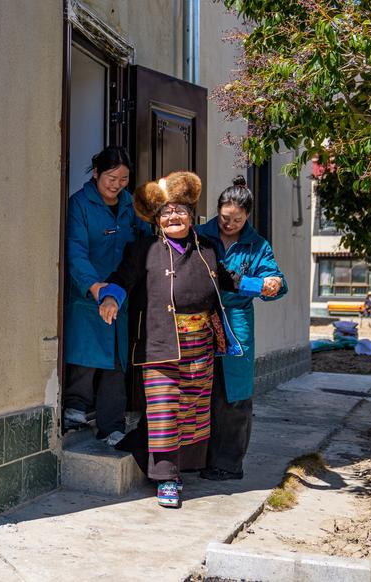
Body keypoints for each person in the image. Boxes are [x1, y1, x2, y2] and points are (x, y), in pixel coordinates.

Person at [98, 172, 250, 508]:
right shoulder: (144, 250)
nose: (173, 217)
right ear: (157, 220)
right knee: (165, 410)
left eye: (179, 210)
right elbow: (122, 278)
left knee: (192, 411)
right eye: (166, 213)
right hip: (160, 344)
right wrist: (110, 298)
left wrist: (263, 285)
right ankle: (166, 478)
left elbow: (229, 281)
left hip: (201, 344)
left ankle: (176, 463)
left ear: (191, 214)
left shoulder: (207, 248)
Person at [195, 176, 287, 481]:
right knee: (199, 389)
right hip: (201, 319)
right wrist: (253, 284)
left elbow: (275, 280)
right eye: (225, 217)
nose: (229, 224)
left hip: (236, 322)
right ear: (217, 210)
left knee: (233, 393)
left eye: (237, 219)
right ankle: (194, 458)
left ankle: (228, 464)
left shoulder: (257, 244)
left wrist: (271, 284)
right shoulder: (200, 235)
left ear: (247, 215)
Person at [63, 146, 151, 444]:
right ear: (97, 173)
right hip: (88, 294)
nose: (117, 185)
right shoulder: (79, 204)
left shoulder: (131, 206)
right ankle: (75, 409)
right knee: (85, 353)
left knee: (116, 360)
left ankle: (112, 424)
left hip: (120, 294)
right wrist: (94, 286)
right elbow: (75, 250)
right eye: (111, 178)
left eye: (123, 179)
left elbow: (145, 242)